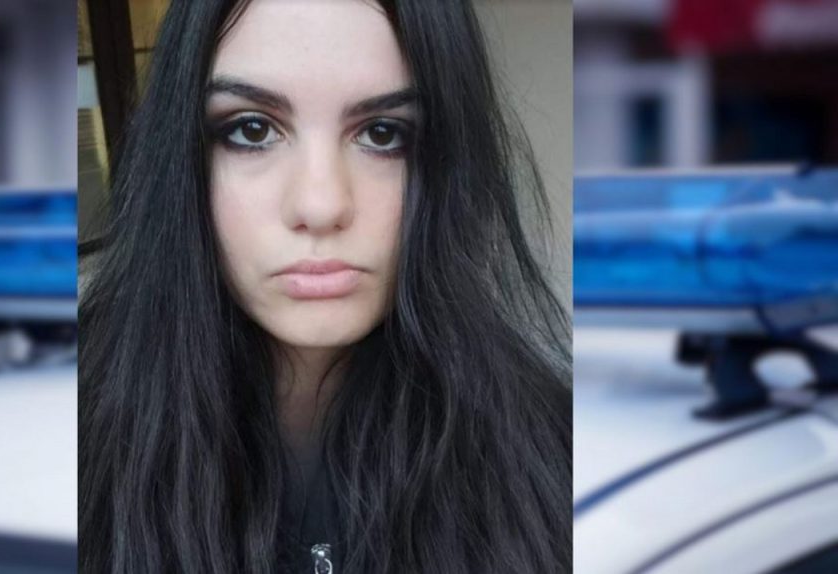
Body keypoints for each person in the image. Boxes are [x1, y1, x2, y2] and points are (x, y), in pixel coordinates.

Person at [79, 0, 571, 572]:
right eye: (252, 129)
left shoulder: (557, 457)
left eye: (383, 134)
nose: (320, 205)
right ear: (182, 157)